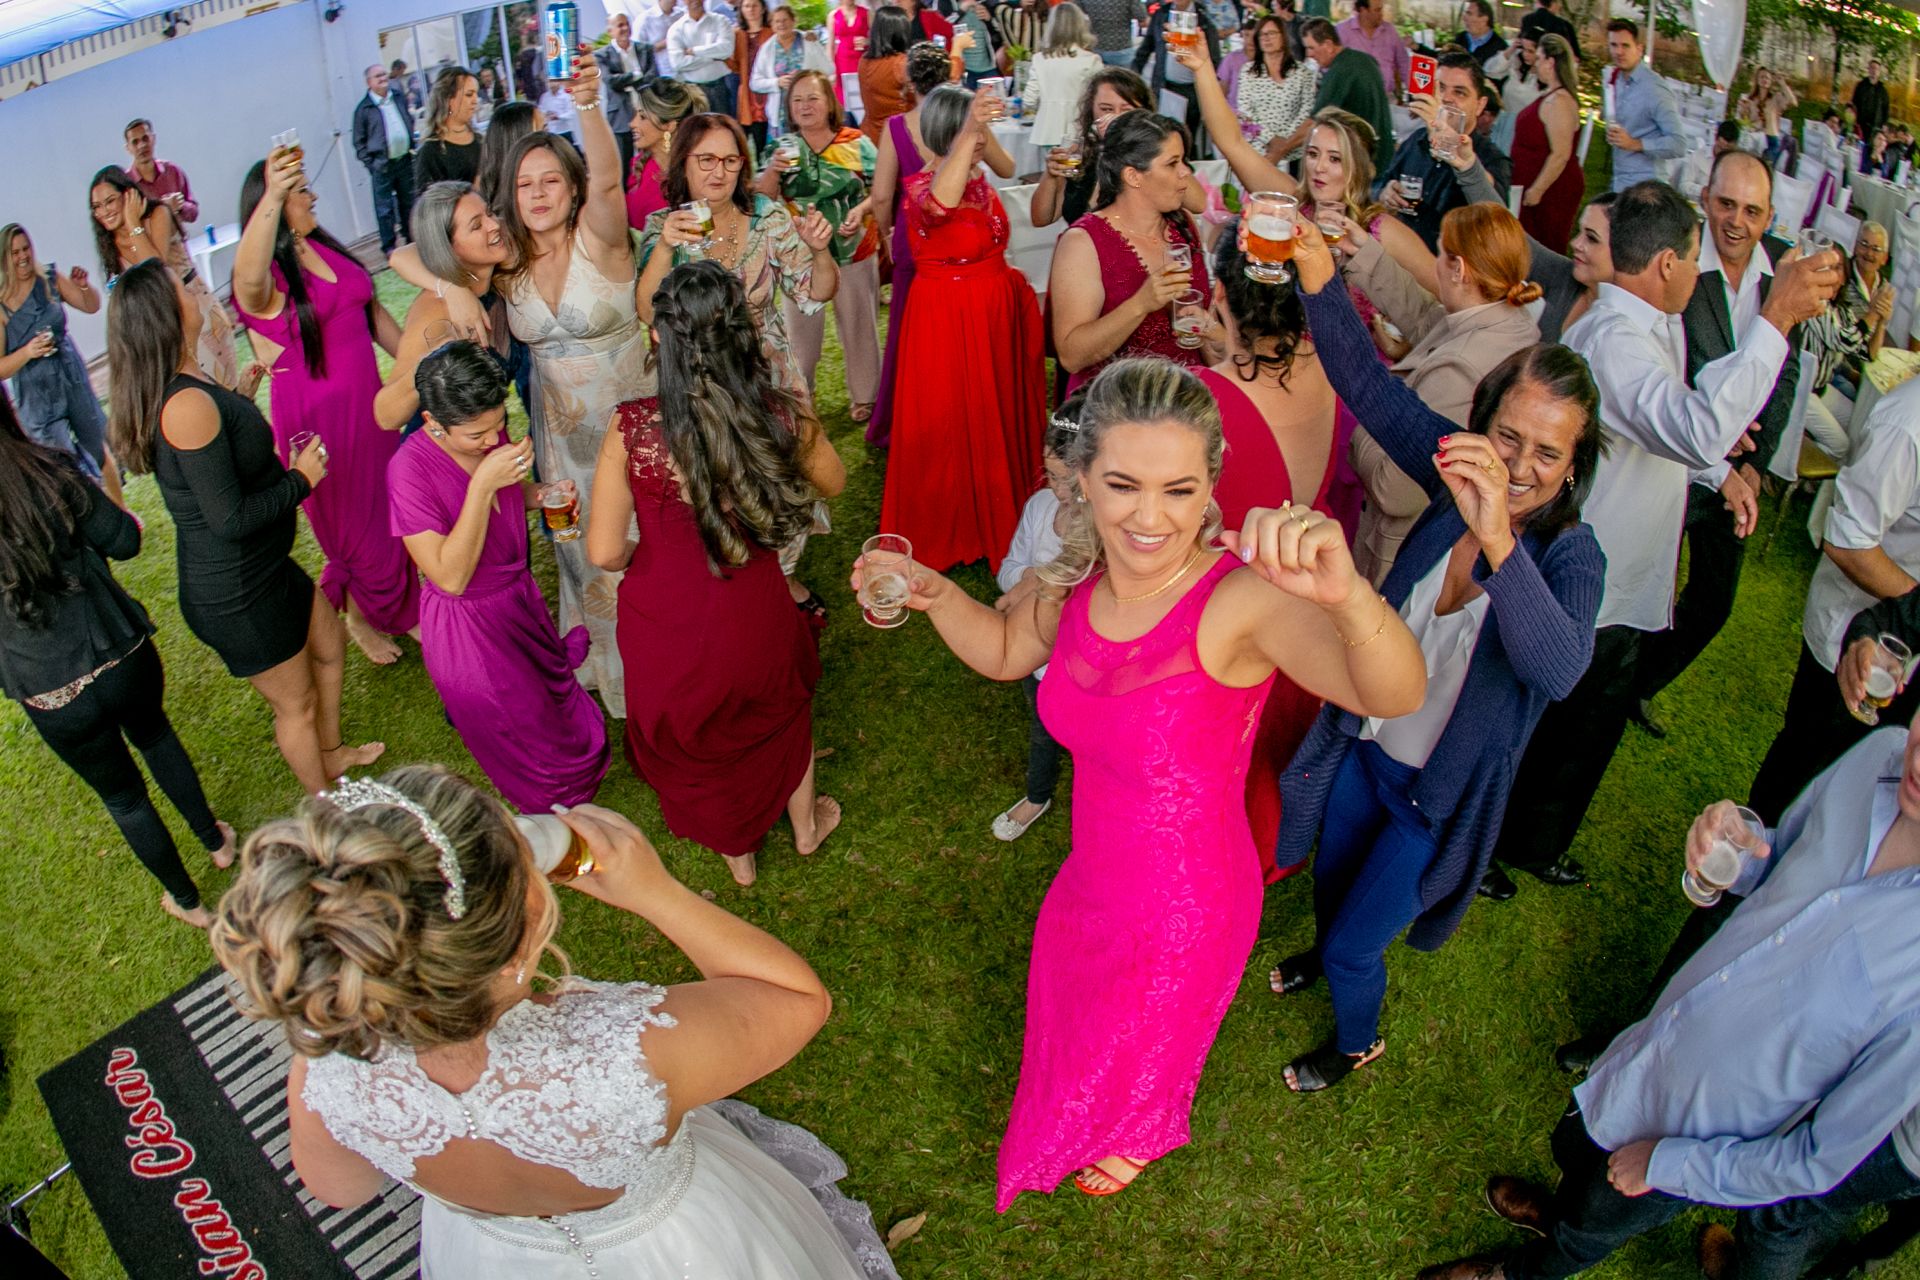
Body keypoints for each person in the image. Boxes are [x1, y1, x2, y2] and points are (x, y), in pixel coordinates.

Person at [854, 357, 1424, 1204]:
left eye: (1178, 491)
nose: (1150, 519)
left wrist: (1348, 600)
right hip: (1092, 879)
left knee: (1146, 1043)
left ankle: (1143, 1131)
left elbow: (1396, 693)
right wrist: (937, 596)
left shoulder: (1241, 604)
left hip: (1186, 908)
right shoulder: (1076, 579)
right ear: (1081, 478)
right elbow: (1007, 651)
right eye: (1123, 486)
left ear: (1210, 487)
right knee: (1079, 1023)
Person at [209, 766, 894, 1278]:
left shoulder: (328, 1071)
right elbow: (796, 1000)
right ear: (517, 953)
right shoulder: (627, 1058)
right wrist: (658, 893)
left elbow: (340, 1187)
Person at [1270, 218, 1602, 1091]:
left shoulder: (1572, 557)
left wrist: (1498, 540)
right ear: (1482, 424)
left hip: (1436, 798)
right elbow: (1366, 385)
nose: (1519, 466)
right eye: (1508, 437)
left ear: (1574, 467)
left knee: (1359, 947)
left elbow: (1559, 670)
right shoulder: (1456, 471)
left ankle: (1354, 1043)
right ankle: (1321, 951)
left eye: (1548, 453)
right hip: (1369, 744)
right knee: (1331, 878)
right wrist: (1318, 275)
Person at [1417, 723, 1920, 1280]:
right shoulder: (1882, 753)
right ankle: (1556, 1213)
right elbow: (1781, 859)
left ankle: (1516, 1273)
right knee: (1574, 1156)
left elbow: (1818, 1160)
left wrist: (1667, 1164)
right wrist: (1734, 850)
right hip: (1646, 1050)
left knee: (1591, 1228)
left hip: (1686, 1138)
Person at [1483, 181, 1837, 898]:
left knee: (1590, 721)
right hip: (1591, 569)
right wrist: (1775, 317)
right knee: (1541, 716)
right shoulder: (1614, 339)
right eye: (1695, 255)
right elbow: (1694, 425)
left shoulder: (1652, 324)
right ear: (1669, 263)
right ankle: (1486, 842)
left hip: (1629, 569)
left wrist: (1720, 474)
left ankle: (1536, 841)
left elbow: (1666, 426)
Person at [589, 262, 845, 885]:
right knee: (782, 710)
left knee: (704, 738)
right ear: (743, 332)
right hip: (754, 607)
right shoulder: (780, 414)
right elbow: (834, 481)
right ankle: (806, 828)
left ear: (658, 337)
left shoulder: (633, 431)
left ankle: (740, 857)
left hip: (669, 618)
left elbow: (603, 551)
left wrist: (645, 554)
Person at [106, 260, 381, 795]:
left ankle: (331, 754)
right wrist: (301, 480)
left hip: (264, 566)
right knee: (296, 705)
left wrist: (241, 401)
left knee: (329, 643)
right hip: (236, 592)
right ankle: (325, 804)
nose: (195, 292)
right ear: (166, 314)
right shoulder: (185, 405)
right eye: (183, 289)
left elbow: (215, 463)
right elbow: (229, 519)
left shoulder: (190, 382)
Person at [0, 392, 234, 929]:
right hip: (118, 650)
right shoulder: (50, 469)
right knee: (156, 738)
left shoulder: (49, 469)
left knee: (125, 799)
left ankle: (189, 902)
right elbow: (125, 540)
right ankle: (216, 842)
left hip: (50, 687)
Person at [1198, 230, 1364, 872]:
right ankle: (1279, 834)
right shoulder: (1341, 375)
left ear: (1218, 295)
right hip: (1313, 604)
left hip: (1227, 619)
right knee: (1284, 737)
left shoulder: (1198, 401)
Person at [390, 343, 609, 813]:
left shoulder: (486, 433)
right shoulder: (407, 472)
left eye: (499, 424)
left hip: (518, 599)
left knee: (545, 705)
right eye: (476, 435)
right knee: (518, 727)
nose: (493, 440)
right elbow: (449, 576)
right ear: (432, 422)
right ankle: (552, 811)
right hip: (470, 629)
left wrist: (541, 493)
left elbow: (507, 494)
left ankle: (574, 781)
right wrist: (482, 484)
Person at [1629, 152, 1802, 739]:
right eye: (1726, 204)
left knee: (1713, 602)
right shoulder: (1678, 264)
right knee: (1640, 577)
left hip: (1739, 475)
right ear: (1705, 199)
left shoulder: (1781, 274)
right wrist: (1718, 448)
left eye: (1752, 211)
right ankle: (1608, 678)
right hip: (1676, 460)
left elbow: (1785, 373)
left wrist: (1755, 464)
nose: (1737, 221)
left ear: (1770, 217)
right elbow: (1665, 373)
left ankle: (1642, 681)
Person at [235, 151, 418, 667]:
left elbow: (372, 313)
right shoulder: (268, 278)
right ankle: (396, 616)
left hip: (370, 407)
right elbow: (245, 284)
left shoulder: (322, 245)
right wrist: (274, 193)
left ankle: (365, 611)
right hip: (318, 422)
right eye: (300, 191)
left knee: (386, 507)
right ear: (273, 206)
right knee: (356, 526)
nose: (312, 195)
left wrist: (415, 368)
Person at [1328, 204, 1545, 583]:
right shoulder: (1502, 318)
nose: (1436, 263)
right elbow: (1430, 319)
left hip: (1397, 553)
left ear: (1459, 269)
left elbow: (1395, 490)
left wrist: (1353, 424)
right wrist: (1363, 253)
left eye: (1441, 252)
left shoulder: (1462, 369)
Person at [880, 84, 1046, 572]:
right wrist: (970, 127)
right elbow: (940, 206)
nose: (981, 140)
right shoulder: (921, 188)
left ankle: (1001, 507)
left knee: (994, 409)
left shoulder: (977, 176)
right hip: (948, 319)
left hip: (994, 311)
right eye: (971, 132)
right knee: (951, 417)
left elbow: (1008, 168)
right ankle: (958, 524)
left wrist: (981, 129)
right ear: (949, 134)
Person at [1748, 375, 1920, 823]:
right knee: (1803, 772)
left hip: (1907, 645)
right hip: (1851, 637)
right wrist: (1917, 609)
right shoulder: (1908, 423)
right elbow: (1848, 543)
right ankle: (1751, 855)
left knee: (1870, 785)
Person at [638, 112, 838, 400]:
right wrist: (665, 247)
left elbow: (817, 292)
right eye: (707, 159)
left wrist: (820, 252)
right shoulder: (662, 227)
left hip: (770, 374)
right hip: (699, 384)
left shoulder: (766, 217)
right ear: (683, 162)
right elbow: (648, 313)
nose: (719, 173)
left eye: (730, 160)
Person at [873, 43, 1003, 446]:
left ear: (909, 81)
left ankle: (901, 414)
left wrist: (886, 236)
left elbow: (881, 196)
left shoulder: (899, 126)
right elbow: (935, 201)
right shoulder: (960, 126)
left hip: (910, 238)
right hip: (935, 242)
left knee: (908, 337)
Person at [1050, 111, 1213, 396]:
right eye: (1172, 163)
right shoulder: (1083, 242)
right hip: (1118, 401)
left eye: (1184, 161)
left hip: (1187, 395)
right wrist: (1141, 304)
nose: (1186, 172)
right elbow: (1071, 356)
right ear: (1133, 176)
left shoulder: (1183, 226)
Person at [757, 71, 882, 419]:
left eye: (812, 98)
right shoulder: (781, 147)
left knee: (859, 324)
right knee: (799, 331)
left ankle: (866, 396)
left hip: (852, 247)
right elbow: (762, 199)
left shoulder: (855, 142)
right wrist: (773, 171)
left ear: (829, 102)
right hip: (798, 253)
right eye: (797, 100)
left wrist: (860, 210)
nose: (805, 106)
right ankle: (801, 392)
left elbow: (881, 189)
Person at [990, 402, 1083, 843]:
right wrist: (1030, 578)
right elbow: (1007, 570)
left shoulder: (1112, 527)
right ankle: (1037, 794)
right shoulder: (1039, 507)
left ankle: (1097, 795)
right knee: (1044, 730)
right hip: (1039, 661)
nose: (1059, 489)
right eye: (1050, 475)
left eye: (1070, 480)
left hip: (1087, 664)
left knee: (1095, 737)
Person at [87, 166, 244, 393]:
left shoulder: (159, 214)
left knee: (225, 390)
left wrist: (133, 225)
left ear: (128, 195)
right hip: (164, 323)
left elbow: (157, 271)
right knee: (192, 395)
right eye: (97, 207)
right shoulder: (109, 243)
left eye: (109, 201)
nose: (104, 211)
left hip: (195, 308)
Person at [0, 225, 119, 503]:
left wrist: (84, 287)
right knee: (61, 462)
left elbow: (90, 306)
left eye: (26, 249)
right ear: (4, 258)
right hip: (36, 393)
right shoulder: (1, 306)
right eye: (15, 252)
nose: (23, 256)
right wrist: (27, 352)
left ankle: (121, 511)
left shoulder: (49, 279)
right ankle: (88, 518)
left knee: (97, 445)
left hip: (69, 374)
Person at [1378, 52, 1509, 252]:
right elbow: (1381, 186)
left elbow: (1495, 216)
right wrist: (1386, 193)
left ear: (1480, 105)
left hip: (1453, 263)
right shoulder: (1416, 142)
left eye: (1459, 92)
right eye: (1439, 89)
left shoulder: (1492, 158)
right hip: (1399, 257)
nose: (1446, 99)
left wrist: (1442, 136)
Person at [1798, 219, 1893, 460]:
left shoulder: (1841, 309)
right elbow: (1843, 340)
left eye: (1838, 268)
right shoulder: (1816, 303)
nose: (1833, 273)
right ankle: (1796, 449)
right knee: (1841, 446)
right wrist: (1872, 313)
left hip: (1822, 387)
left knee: (1860, 425)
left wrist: (1881, 321)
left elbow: (1866, 353)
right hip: (1801, 389)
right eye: (1829, 267)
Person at [1027, 67, 1155, 231]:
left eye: (1126, 111)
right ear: (1091, 110)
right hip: (1079, 244)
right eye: (1106, 109)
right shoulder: (1081, 154)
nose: (1115, 118)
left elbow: (1195, 203)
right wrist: (1051, 175)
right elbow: (1041, 219)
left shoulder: (1156, 155)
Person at [1508, 34, 1582, 251]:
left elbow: (1561, 154)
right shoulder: (1550, 96)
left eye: (1539, 58)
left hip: (1549, 191)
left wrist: (1537, 190)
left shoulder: (1560, 102)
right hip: (1530, 183)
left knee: (1543, 246)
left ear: (1550, 62)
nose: (1535, 63)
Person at [1292, 19, 1395, 174]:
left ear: (1328, 45)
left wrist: (1280, 151)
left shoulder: (1340, 71)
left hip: (1363, 162)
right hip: (1383, 157)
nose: (1309, 54)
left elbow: (1313, 123)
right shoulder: (1365, 59)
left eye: (1311, 48)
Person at [1601, 20, 1683, 194]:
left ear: (1639, 49)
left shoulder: (1654, 89)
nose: (1618, 52)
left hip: (1646, 187)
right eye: (1614, 45)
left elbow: (1678, 144)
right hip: (1619, 180)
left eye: (1625, 46)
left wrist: (1635, 144)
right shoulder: (1616, 79)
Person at [1133, 0, 1220, 151]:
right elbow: (1146, 48)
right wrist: (1134, 78)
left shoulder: (1204, 19)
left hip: (1192, 90)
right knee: (1162, 135)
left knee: (1188, 136)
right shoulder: (1161, 14)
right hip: (1165, 86)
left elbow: (1214, 58)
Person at [354, 64, 420, 258]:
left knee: (409, 202)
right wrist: (372, 164)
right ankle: (389, 247)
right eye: (378, 76)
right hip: (382, 165)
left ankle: (412, 239)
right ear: (369, 82)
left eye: (384, 74)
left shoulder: (398, 97)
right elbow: (359, 142)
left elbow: (408, 120)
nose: (383, 78)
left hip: (404, 160)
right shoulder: (364, 109)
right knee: (384, 208)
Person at [626, 79, 711, 229]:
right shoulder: (640, 165)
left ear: (669, 125)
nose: (632, 124)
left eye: (642, 117)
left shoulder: (695, 173)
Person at [1236, 12, 1317, 159]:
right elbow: (1245, 114)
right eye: (1262, 34)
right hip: (1258, 152)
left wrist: (1285, 143)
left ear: (1283, 36)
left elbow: (1308, 110)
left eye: (1272, 33)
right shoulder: (1248, 71)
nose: (1266, 38)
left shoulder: (1302, 72)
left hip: (1294, 152)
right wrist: (1270, 139)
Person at [750, 8, 835, 142]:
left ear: (794, 21)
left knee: (810, 148)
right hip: (781, 115)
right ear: (771, 25)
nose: (781, 24)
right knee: (784, 151)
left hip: (808, 109)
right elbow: (754, 83)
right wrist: (776, 82)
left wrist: (808, 79)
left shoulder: (808, 40)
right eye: (777, 21)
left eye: (785, 20)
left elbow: (828, 69)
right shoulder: (767, 49)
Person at [1027, 4, 1103, 149]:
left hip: (1047, 130)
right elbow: (1098, 100)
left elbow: (1029, 100)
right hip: (1079, 130)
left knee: (1052, 164)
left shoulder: (1039, 59)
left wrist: (1046, 107)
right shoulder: (1091, 60)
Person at [599, 12, 660, 186]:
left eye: (627, 24)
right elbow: (611, 81)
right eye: (620, 25)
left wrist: (626, 81)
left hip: (647, 112)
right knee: (624, 167)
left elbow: (653, 78)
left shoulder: (645, 49)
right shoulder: (602, 55)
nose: (625, 28)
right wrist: (636, 75)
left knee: (652, 161)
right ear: (610, 31)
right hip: (621, 117)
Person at [857, 5, 917, 144]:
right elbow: (925, 96)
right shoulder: (901, 64)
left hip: (869, 137)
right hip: (899, 138)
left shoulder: (864, 61)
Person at [416, 67, 484, 187]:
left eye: (476, 94)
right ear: (448, 99)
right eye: (469, 95)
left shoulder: (480, 140)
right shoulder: (430, 151)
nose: (475, 100)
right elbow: (427, 197)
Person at [121, 119, 197, 225]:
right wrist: (162, 208)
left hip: (178, 235)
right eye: (135, 142)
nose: (142, 145)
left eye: (145, 138)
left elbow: (194, 213)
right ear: (128, 148)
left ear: (153, 139)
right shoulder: (125, 184)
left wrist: (180, 205)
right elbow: (126, 226)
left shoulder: (172, 170)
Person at [669, 0, 737, 119]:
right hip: (692, 91)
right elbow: (677, 63)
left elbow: (727, 49)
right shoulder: (676, 29)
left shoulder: (720, 20)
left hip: (720, 87)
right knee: (696, 128)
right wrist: (713, 57)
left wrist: (694, 51)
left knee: (723, 126)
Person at [1336, 0, 1409, 100]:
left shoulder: (1390, 31)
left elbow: (1404, 63)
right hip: (1353, 99)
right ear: (1363, 10)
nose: (1381, 14)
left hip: (1386, 99)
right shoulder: (1342, 31)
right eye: (1377, 10)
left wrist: (1416, 94)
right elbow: (1331, 63)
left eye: (1381, 9)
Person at [1738, 67, 1797, 167]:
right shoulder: (1751, 99)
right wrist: (1743, 111)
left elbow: (1793, 102)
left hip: (1770, 140)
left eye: (1767, 78)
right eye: (1762, 77)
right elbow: (1744, 121)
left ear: (1770, 82)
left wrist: (1782, 84)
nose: (1764, 80)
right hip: (1754, 138)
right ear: (1757, 80)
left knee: (1763, 167)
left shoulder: (1775, 98)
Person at [830, 0, 870, 105]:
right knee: (844, 97)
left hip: (862, 61)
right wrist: (831, 70)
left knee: (863, 95)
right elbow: (830, 45)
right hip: (842, 62)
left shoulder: (867, 13)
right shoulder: (833, 15)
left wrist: (867, 41)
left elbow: (878, 39)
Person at [1454, 0, 1508, 77]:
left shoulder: (1499, 48)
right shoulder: (1460, 38)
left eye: (1469, 13)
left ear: (1484, 19)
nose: (1464, 18)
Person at [1853, 58, 1891, 166]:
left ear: (1879, 72)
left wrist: (1884, 124)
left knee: (1872, 151)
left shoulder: (1882, 91)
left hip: (1875, 127)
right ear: (1868, 69)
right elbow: (1854, 103)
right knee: (1859, 150)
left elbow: (1886, 109)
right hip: (1860, 124)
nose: (1874, 71)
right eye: (1872, 68)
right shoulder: (1861, 86)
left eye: (1877, 69)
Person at [1084, 0, 1142, 66]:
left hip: (1096, 47)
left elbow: (1076, 13)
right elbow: (1143, 22)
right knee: (1123, 72)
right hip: (1121, 48)